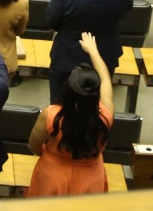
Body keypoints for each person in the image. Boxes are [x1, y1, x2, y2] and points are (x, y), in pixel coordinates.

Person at [46, 0, 134, 102]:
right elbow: (124, 12)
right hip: (105, 54)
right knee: (97, 105)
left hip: (68, 57)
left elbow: (52, 21)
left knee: (60, 106)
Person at [26, 31, 114, 195]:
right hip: (90, 178)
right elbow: (106, 80)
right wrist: (93, 51)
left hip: (53, 176)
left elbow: (33, 145)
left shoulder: (51, 115)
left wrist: (52, 157)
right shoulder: (105, 115)